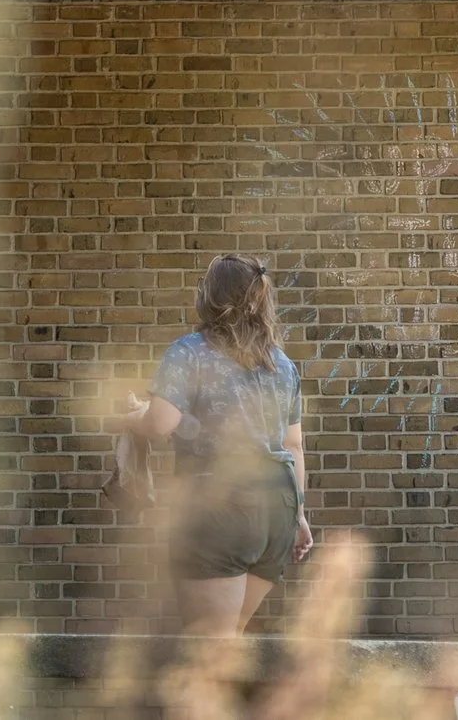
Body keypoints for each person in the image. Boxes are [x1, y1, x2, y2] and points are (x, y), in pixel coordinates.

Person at [118, 253, 313, 635]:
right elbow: (293, 445)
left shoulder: (189, 351)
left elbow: (160, 423)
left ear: (209, 296)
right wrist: (300, 516)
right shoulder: (282, 364)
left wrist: (125, 420)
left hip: (219, 503)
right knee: (228, 644)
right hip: (278, 507)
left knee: (210, 651)